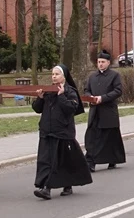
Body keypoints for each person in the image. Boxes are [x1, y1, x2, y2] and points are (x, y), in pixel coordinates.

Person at [33, 65, 92, 200]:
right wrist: (40, 98)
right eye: (52, 74)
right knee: (45, 161)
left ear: (64, 76)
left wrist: (61, 96)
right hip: (46, 132)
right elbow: (37, 109)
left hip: (62, 133)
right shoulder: (48, 91)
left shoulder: (70, 91)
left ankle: (52, 188)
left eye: (57, 74)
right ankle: (45, 187)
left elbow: (71, 108)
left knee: (59, 162)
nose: (54, 76)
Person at [84, 50, 125, 172]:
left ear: (108, 63)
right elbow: (86, 90)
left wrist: (103, 98)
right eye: (98, 62)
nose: (100, 64)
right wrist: (90, 98)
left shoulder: (114, 75)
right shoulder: (92, 76)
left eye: (103, 62)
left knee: (110, 138)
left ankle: (112, 158)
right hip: (95, 111)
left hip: (108, 112)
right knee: (92, 137)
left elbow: (118, 91)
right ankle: (91, 162)